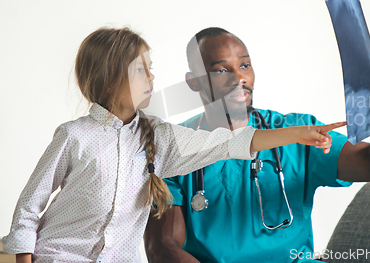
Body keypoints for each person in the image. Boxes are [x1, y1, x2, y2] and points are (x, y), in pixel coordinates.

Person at [1, 27, 342, 263]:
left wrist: (296, 134)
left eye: (150, 69)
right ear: (108, 81)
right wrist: (23, 258)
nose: (151, 79)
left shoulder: (159, 137)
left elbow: (230, 144)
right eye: (139, 71)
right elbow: (29, 209)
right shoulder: (74, 136)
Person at [143, 27, 370, 263]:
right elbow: (162, 247)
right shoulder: (174, 146)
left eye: (245, 66)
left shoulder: (296, 134)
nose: (239, 79)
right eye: (222, 70)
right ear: (194, 82)